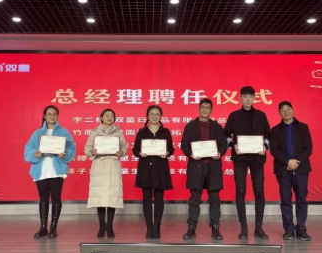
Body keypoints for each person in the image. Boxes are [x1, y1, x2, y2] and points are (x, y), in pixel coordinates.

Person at [224, 86, 271, 239]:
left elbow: (268, 134)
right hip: (240, 157)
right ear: (240, 98)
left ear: (254, 98)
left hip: (257, 157)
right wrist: (233, 145)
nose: (248, 99)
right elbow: (226, 134)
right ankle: (243, 227)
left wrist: (265, 146)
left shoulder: (261, 115)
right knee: (240, 191)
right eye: (245, 96)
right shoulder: (234, 115)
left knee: (259, 191)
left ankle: (258, 227)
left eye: (250, 96)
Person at [24, 106, 76, 239]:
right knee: (43, 199)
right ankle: (43, 227)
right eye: (49, 114)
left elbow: (71, 149)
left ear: (57, 116)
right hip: (41, 169)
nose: (52, 116)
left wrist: (64, 155)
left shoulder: (64, 132)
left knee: (56, 198)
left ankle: (53, 227)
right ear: (44, 116)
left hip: (56, 170)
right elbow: (28, 150)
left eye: (54, 114)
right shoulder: (37, 133)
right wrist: (35, 154)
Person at [181, 98, 228, 240]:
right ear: (199, 109)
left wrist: (219, 153)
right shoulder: (190, 126)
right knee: (194, 199)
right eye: (203, 107)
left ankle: (215, 228)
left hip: (213, 167)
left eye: (208, 107)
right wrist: (191, 154)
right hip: (196, 167)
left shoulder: (217, 127)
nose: (205, 110)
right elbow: (184, 144)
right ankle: (191, 228)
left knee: (214, 199)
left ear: (211, 110)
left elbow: (223, 144)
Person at [269, 101, 313, 241]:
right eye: (283, 110)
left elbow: (308, 148)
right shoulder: (275, 130)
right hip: (283, 170)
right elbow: (274, 150)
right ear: (279, 113)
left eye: (288, 109)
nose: (286, 112)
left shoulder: (303, 127)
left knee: (301, 199)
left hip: (301, 169)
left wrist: (296, 162)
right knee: (285, 200)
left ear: (293, 110)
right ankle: (288, 229)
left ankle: (301, 228)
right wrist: (288, 162)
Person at [84, 108, 127, 239]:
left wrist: (122, 152)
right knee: (101, 198)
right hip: (99, 165)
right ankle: (102, 226)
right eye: (106, 115)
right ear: (101, 118)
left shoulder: (119, 133)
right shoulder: (95, 133)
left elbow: (124, 147)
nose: (109, 117)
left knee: (112, 198)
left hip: (113, 165)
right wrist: (92, 152)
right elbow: (87, 148)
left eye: (111, 116)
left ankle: (110, 227)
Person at [133, 105, 175, 239]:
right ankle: (149, 227)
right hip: (145, 167)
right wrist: (140, 153)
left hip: (160, 167)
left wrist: (166, 153)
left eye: (157, 114)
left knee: (159, 198)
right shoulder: (142, 132)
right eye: (152, 114)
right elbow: (135, 150)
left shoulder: (165, 132)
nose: (154, 116)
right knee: (146, 198)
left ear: (161, 116)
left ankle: (157, 227)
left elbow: (171, 149)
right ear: (147, 116)